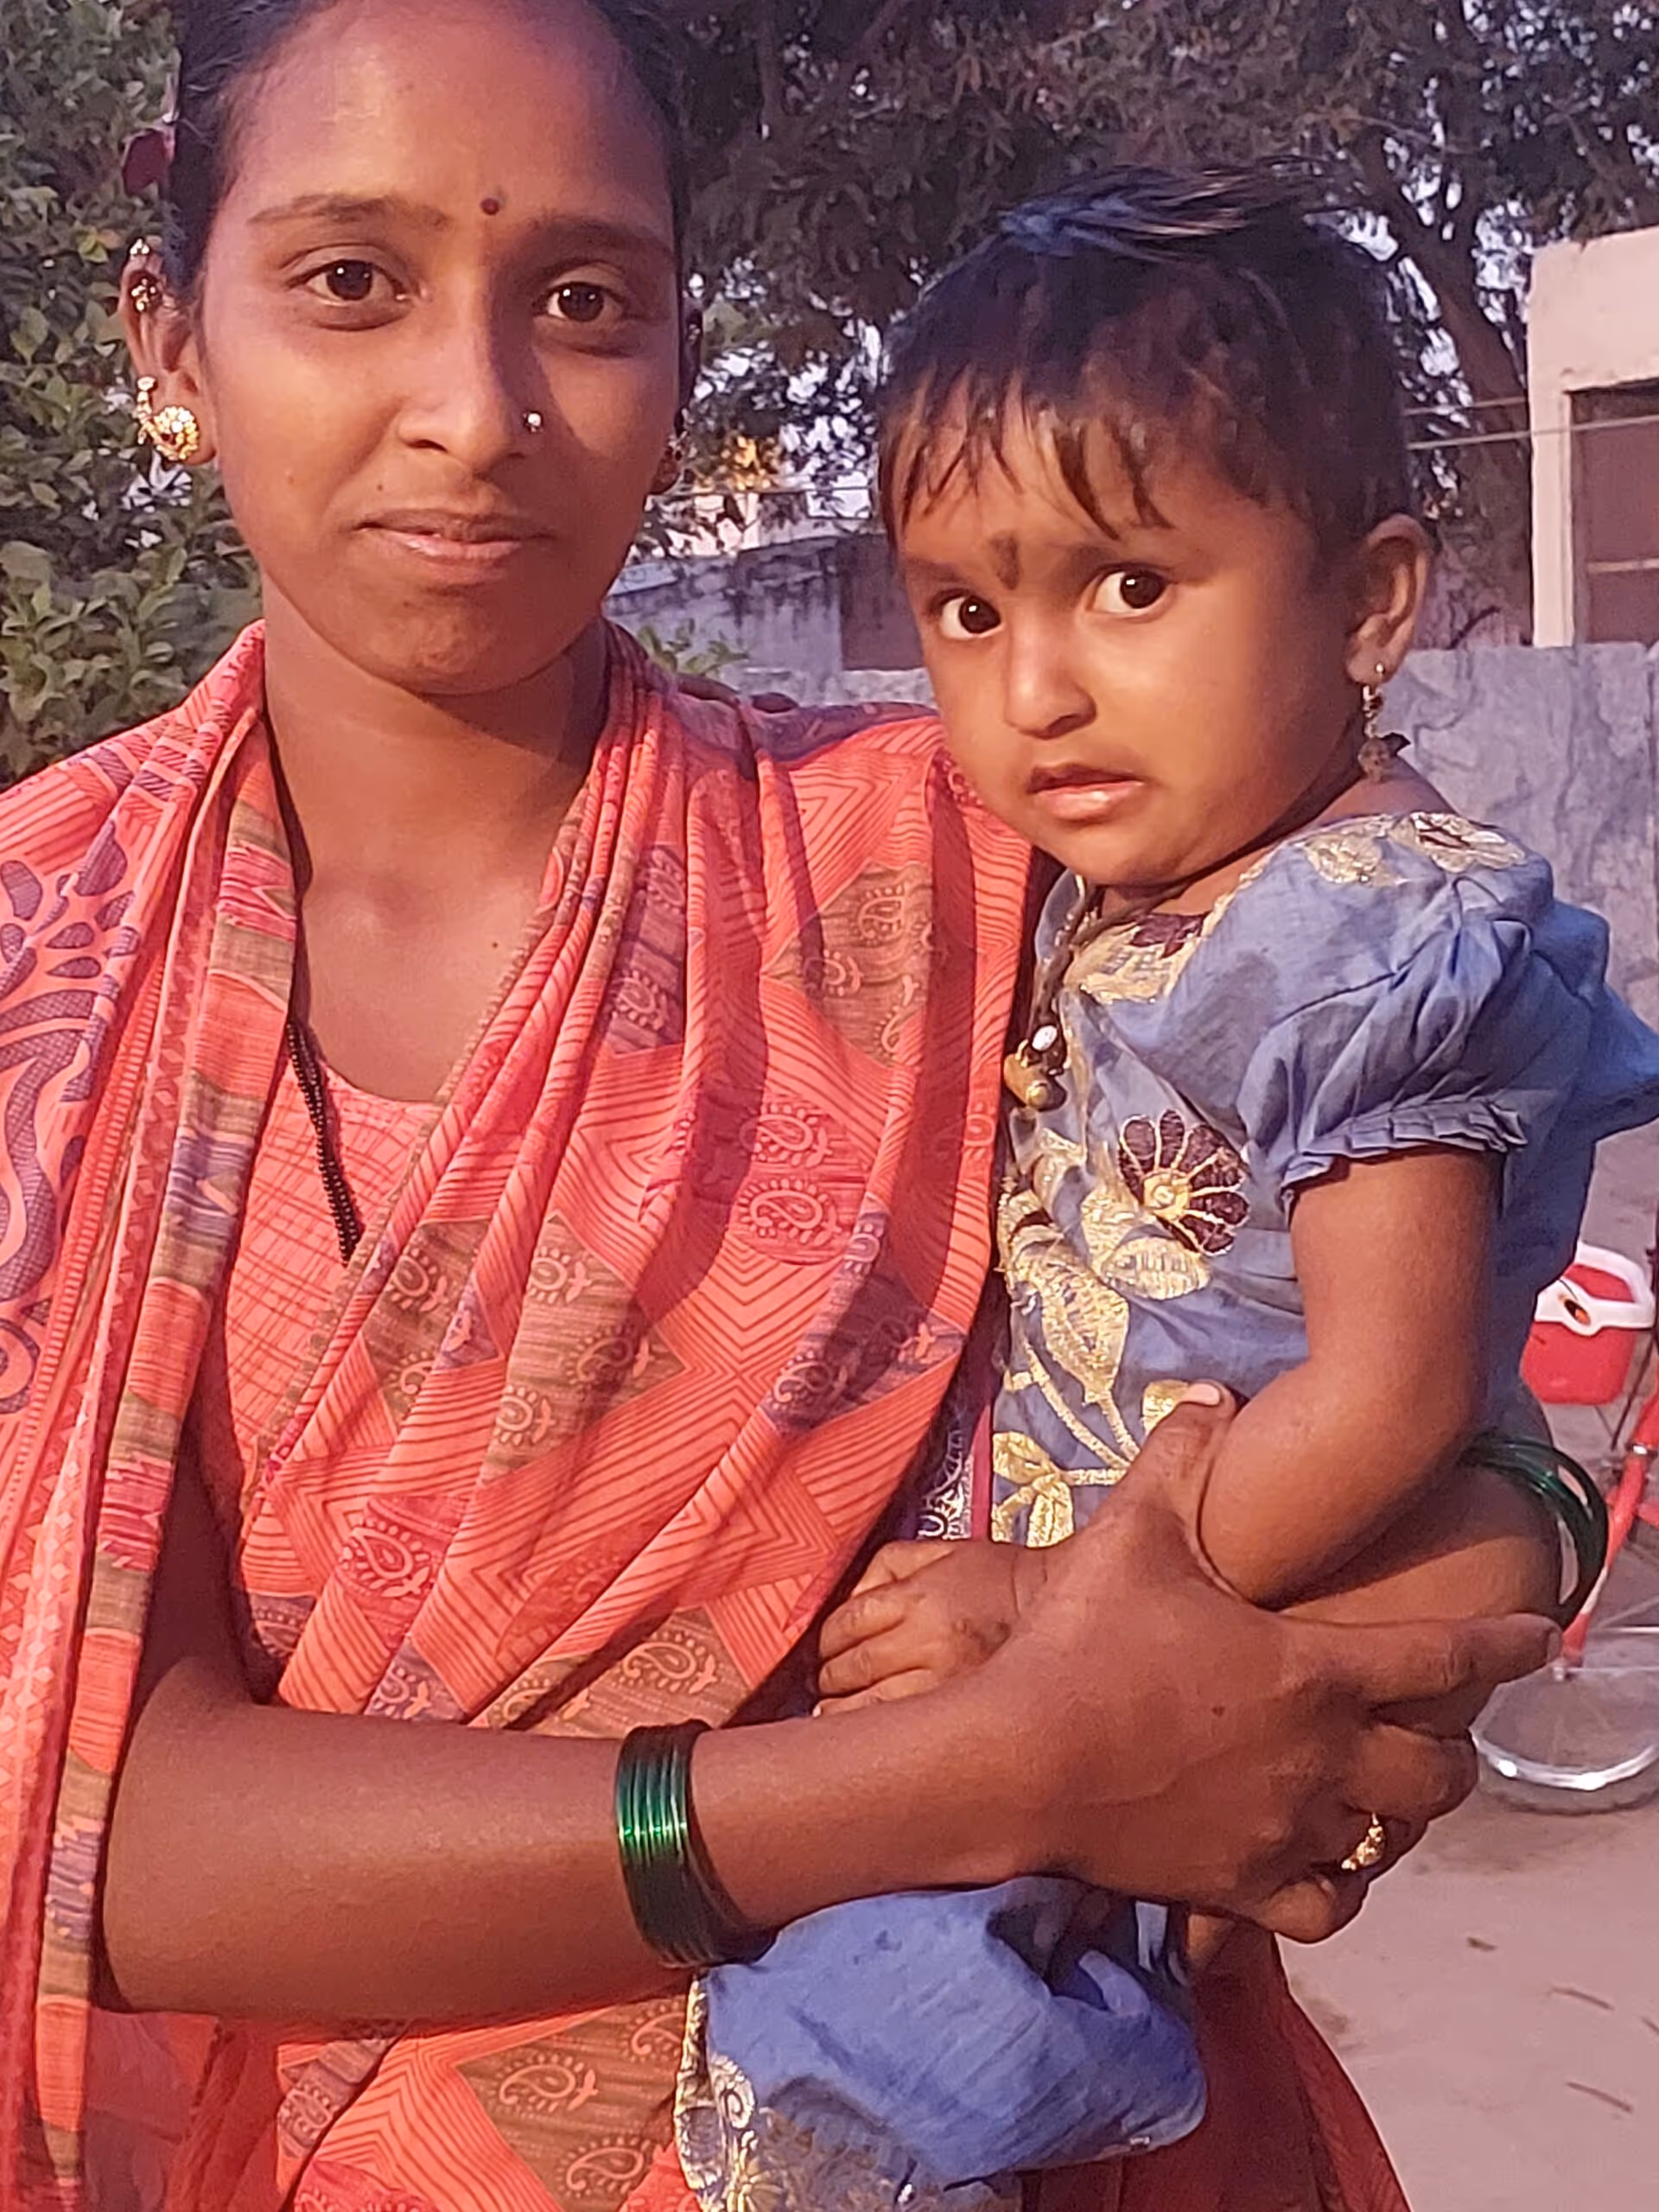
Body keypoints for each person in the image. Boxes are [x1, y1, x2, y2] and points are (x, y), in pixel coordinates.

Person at [0, 13, 1559, 2209]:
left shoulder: (978, 859)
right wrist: (984, 1767)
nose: (476, 407)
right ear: (172, 334)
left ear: (681, 356)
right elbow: (96, 1828)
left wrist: (1401, 1622)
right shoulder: (44, 974)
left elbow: (1419, 1418)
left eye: (584, 298)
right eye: (351, 280)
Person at [689, 168, 1655, 2212]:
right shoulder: (1160, 879)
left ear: (1372, 601)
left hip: (1201, 1595)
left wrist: (1048, 1617)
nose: (1035, 686)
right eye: (967, 607)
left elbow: (1391, 1395)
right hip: (1117, 1594)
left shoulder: (1360, 941)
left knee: (905, 2007)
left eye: (1129, 587)